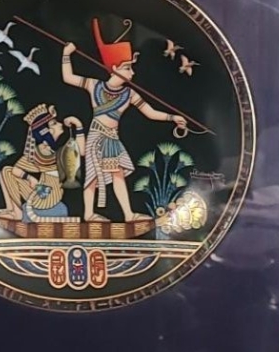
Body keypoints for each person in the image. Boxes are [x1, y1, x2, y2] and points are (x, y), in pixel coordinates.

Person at [62, 21, 186, 222]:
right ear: (114, 68)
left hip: (113, 138)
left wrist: (172, 118)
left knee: (118, 174)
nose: (132, 73)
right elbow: (68, 77)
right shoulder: (95, 85)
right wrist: (66, 54)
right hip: (97, 136)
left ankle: (128, 214)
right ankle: (88, 213)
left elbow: (150, 112)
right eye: (128, 68)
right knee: (92, 176)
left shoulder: (129, 94)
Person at [0, 103, 84, 222]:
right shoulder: (43, 151)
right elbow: (15, 170)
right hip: (43, 192)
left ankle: (16, 212)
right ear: (47, 131)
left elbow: (81, 151)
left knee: (6, 171)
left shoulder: (52, 149)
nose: (60, 123)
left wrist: (79, 126)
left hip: (48, 196)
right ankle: (13, 210)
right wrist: (30, 178)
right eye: (54, 123)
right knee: (6, 171)